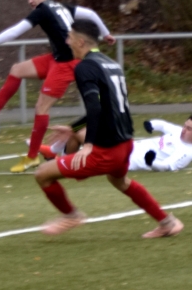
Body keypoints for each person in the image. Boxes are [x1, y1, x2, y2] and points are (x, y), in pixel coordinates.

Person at [33, 20, 183, 238]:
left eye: (70, 37)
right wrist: (73, 128)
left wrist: (88, 145)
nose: (67, 42)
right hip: (125, 143)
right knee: (120, 181)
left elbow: (95, 106)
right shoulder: (111, 63)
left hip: (106, 150)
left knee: (42, 174)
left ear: (81, 41)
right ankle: (167, 222)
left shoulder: (85, 67)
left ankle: (71, 215)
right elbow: (108, 106)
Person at [0, 0, 116, 173]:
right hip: (57, 59)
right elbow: (90, 14)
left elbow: (15, 32)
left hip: (67, 64)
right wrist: (106, 34)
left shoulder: (42, 10)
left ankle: (31, 158)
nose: (30, 1)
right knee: (17, 69)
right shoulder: (61, 6)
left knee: (41, 107)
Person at [44, 115, 192, 172]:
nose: (184, 130)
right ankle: (62, 161)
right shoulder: (179, 132)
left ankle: (58, 159)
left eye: (189, 129)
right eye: (185, 126)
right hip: (124, 145)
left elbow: (167, 166)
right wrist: (152, 124)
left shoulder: (187, 152)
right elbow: (164, 126)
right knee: (81, 131)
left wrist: (152, 162)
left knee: (79, 132)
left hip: (123, 159)